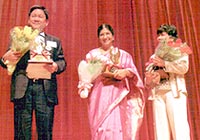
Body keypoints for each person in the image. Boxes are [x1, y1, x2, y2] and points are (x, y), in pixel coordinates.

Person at [0, 5, 66, 140]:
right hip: (24, 88)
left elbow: (62, 62)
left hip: (45, 89)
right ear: (29, 20)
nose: (36, 18)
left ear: (46, 22)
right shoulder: (19, 38)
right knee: (21, 132)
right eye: (33, 16)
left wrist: (55, 66)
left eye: (40, 16)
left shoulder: (55, 41)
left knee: (45, 131)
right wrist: (4, 59)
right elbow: (6, 61)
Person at [78, 24, 145, 140]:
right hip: (99, 96)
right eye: (102, 34)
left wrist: (126, 72)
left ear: (113, 37)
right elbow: (86, 75)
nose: (105, 37)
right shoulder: (93, 55)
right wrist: (84, 87)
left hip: (118, 95)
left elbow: (133, 73)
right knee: (101, 127)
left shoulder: (123, 55)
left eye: (107, 34)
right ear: (98, 38)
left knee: (117, 126)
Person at [145, 24, 191, 140]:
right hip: (158, 94)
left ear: (171, 36)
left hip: (174, 92)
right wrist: (149, 78)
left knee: (178, 126)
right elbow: (148, 79)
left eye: (162, 35)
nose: (159, 38)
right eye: (158, 35)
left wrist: (164, 64)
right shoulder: (154, 55)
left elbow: (184, 67)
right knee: (160, 130)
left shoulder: (180, 48)